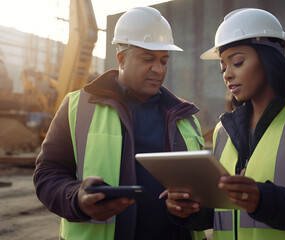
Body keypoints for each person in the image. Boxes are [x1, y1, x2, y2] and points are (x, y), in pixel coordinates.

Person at [164, 8, 285, 240]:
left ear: (269, 59)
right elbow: (219, 214)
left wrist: (264, 200)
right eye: (223, 68)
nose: (227, 75)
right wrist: (188, 210)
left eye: (237, 62)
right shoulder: (223, 131)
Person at [33, 6, 206, 240]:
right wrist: (76, 198)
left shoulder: (184, 116)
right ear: (121, 58)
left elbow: (203, 193)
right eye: (148, 59)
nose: (158, 69)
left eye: (164, 60)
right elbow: (47, 173)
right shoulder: (77, 107)